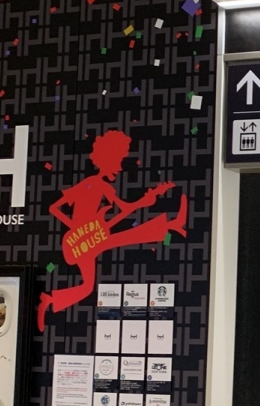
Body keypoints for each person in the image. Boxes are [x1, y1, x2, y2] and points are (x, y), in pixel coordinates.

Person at [38, 130, 186, 330]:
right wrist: (76, 228)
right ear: (105, 159)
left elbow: (125, 209)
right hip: (80, 241)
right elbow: (53, 207)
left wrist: (147, 200)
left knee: (116, 248)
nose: (119, 167)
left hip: (93, 239)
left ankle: (49, 299)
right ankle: (171, 224)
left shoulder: (107, 188)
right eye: (117, 161)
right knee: (91, 282)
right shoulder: (89, 182)